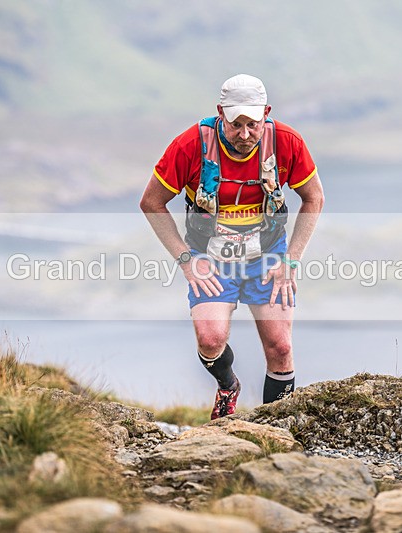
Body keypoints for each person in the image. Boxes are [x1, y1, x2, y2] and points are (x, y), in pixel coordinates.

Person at [139, 74, 324, 419]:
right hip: (210, 258)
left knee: (281, 348)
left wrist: (291, 260)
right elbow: (151, 202)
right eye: (235, 123)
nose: (244, 134)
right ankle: (228, 385)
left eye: (252, 124)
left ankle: (276, 428)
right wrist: (186, 259)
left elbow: (314, 197)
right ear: (220, 112)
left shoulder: (286, 142)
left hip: (267, 257)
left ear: (266, 114)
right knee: (210, 341)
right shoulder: (190, 145)